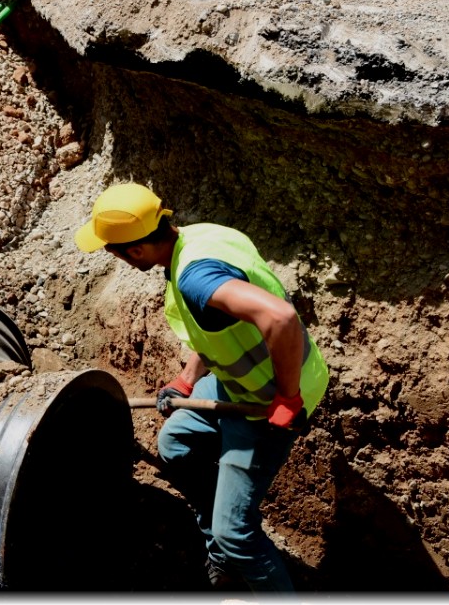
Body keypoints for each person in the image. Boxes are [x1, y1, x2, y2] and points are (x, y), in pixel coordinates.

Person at [74, 182, 328, 592]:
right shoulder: (201, 237)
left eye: (113, 251)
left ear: (135, 251)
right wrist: (187, 381)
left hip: (266, 399)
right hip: (240, 383)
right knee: (176, 444)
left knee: (238, 535)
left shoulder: (195, 277)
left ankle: (232, 547)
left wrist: (288, 397)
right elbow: (215, 331)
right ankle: (221, 550)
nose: (115, 257)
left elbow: (279, 318)